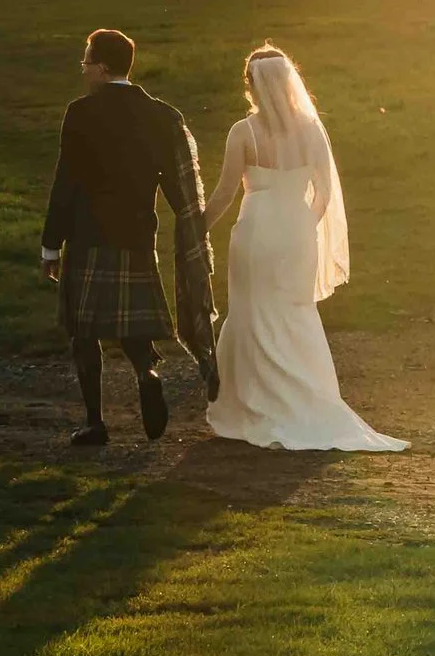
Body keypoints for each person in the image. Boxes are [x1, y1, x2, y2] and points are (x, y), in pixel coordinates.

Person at [201, 44, 405, 452]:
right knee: (294, 313)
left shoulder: (243, 132)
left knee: (252, 313)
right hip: (295, 231)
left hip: (255, 231)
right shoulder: (310, 131)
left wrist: (196, 229)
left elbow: (225, 192)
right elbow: (324, 194)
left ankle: (255, 405)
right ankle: (308, 403)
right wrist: (301, 227)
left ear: (252, 86)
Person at [41, 28, 218, 446]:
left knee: (84, 332)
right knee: (130, 326)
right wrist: (193, 228)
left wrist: (51, 244)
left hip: (87, 237)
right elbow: (178, 185)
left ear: (102, 68)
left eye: (85, 62)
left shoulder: (80, 113)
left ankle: (95, 424)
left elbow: (64, 183)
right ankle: (147, 372)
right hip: (138, 238)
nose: (83, 70)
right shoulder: (161, 115)